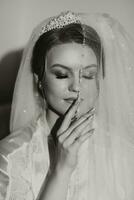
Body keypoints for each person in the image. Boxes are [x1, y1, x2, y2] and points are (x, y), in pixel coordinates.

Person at [0, 11, 134, 200]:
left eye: (88, 75)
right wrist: (61, 171)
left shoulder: (125, 155)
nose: (77, 86)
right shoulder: (10, 157)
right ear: (39, 80)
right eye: (62, 74)